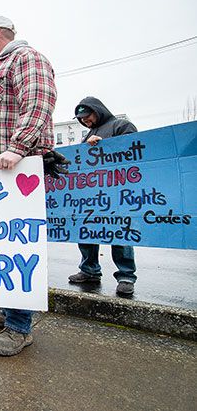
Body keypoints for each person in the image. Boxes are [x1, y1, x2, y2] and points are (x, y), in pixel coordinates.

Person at [0, 15, 57, 356]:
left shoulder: (26, 58)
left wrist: (17, 146)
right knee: (0, 245)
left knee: (17, 246)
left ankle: (20, 327)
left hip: (16, 175)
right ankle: (8, 310)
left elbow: (39, 101)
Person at [68, 97, 138, 296]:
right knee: (87, 231)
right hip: (91, 195)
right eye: (81, 118)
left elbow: (133, 150)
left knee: (120, 232)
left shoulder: (121, 125)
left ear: (98, 111)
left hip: (118, 192)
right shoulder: (88, 134)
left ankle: (126, 275)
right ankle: (89, 269)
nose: (85, 121)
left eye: (87, 116)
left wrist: (104, 145)